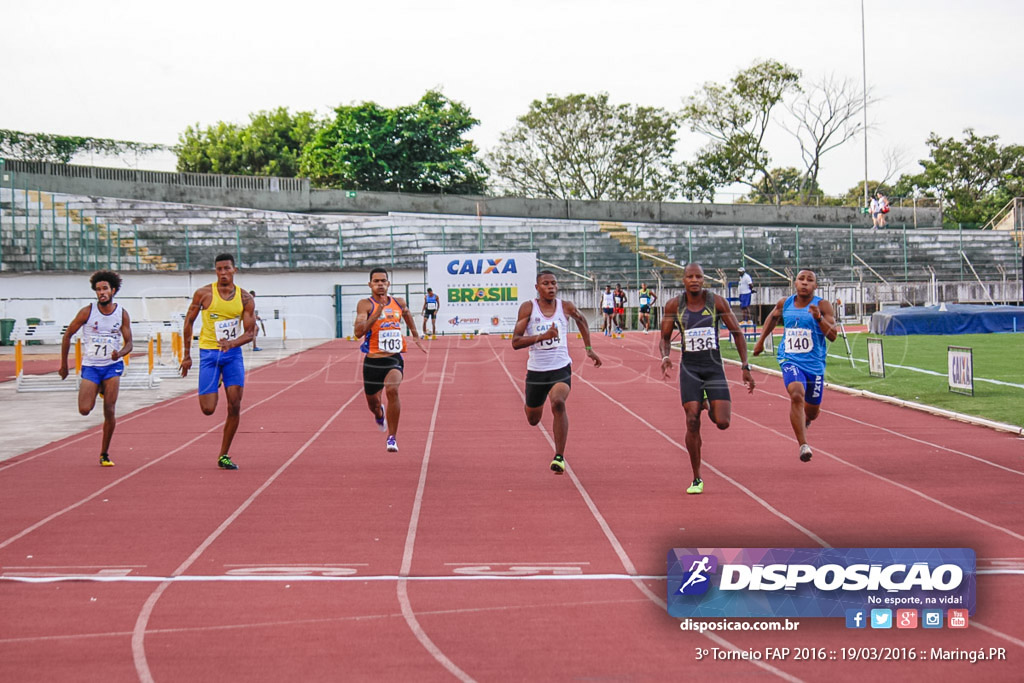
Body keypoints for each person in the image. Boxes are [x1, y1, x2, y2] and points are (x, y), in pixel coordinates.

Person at [660, 263, 755, 495]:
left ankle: (707, 403)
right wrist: (664, 356)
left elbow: (737, 333)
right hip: (690, 368)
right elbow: (664, 337)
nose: (694, 280)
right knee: (692, 421)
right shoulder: (674, 305)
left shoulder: (717, 302)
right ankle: (696, 477)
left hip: (713, 367)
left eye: (699, 276)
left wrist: (745, 365)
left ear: (704, 280)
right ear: (683, 280)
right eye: (690, 277)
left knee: (722, 422)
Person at [512, 270, 602, 474]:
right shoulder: (528, 308)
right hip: (536, 372)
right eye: (546, 283)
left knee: (558, 403)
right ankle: (532, 404)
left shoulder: (565, 307)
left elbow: (581, 321)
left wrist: (589, 349)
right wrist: (543, 336)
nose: (551, 287)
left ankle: (559, 456)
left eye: (554, 283)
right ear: (537, 287)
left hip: (560, 368)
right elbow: (515, 342)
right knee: (533, 419)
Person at [179, 254, 256, 470]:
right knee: (208, 409)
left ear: (234, 270)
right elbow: (188, 323)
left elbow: (250, 333)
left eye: (227, 269)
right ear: (215, 271)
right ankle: (217, 379)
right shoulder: (203, 294)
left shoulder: (245, 298)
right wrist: (186, 355)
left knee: (234, 404)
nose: (223, 273)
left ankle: (224, 454)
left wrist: (233, 343)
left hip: (232, 356)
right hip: (209, 355)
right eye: (219, 269)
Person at [753, 269, 837, 463]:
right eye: (801, 279)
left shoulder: (822, 305)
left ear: (815, 286)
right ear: (795, 283)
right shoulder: (786, 303)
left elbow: (832, 336)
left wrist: (818, 318)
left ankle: (806, 419)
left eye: (810, 280)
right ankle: (803, 445)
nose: (805, 283)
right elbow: (773, 318)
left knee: (813, 411)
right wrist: (761, 341)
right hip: (789, 359)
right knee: (796, 393)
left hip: (814, 365)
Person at [59, 270, 134, 467]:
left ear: (113, 290)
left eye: (105, 289)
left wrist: (121, 353)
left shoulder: (121, 314)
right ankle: (99, 388)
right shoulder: (87, 311)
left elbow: (129, 343)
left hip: (112, 367)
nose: (101, 292)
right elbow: (67, 336)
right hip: (91, 366)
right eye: (98, 289)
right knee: (84, 409)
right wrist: (64, 365)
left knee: (109, 409)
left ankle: (104, 453)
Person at [354, 267, 426, 452]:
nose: (380, 284)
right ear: (370, 284)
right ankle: (379, 414)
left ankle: (392, 437)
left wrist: (416, 335)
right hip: (372, 361)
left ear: (388, 283)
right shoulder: (365, 305)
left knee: (392, 390)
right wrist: (374, 317)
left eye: (383, 281)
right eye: (376, 281)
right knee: (374, 404)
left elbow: (407, 314)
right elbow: (358, 332)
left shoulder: (398, 302)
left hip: (393, 359)